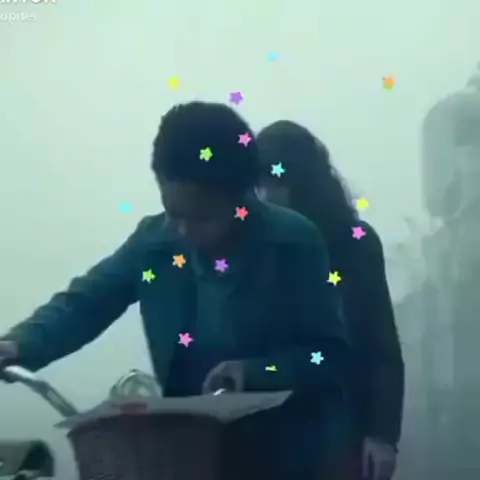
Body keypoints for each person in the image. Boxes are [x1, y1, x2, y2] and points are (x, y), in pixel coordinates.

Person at [0, 103, 352, 480]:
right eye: (174, 213)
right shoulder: (155, 245)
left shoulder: (292, 243)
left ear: (242, 198)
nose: (184, 230)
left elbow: (327, 356)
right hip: (188, 459)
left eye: (203, 217)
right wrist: (19, 346)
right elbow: (86, 303)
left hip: (285, 460)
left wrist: (256, 371)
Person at [256, 120, 404, 480]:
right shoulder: (258, 248)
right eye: (260, 184)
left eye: (276, 181)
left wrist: (383, 435)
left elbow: (379, 344)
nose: (266, 195)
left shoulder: (354, 243)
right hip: (268, 436)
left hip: (342, 431)